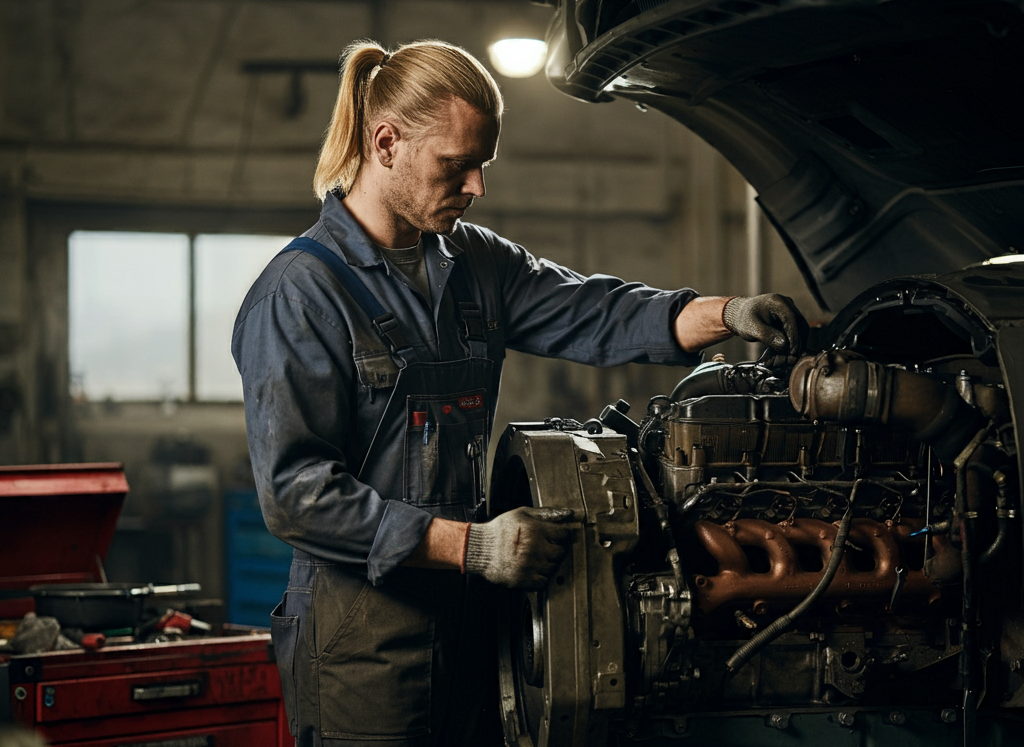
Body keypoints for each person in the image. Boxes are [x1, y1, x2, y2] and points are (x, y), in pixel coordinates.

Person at [231, 39, 807, 747]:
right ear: (386, 143)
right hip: (361, 642)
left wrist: (727, 313)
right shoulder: (300, 295)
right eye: (456, 165)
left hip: (472, 625)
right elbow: (296, 493)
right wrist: (469, 546)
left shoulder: (475, 264)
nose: (476, 186)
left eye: (483, 165)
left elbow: (595, 311)